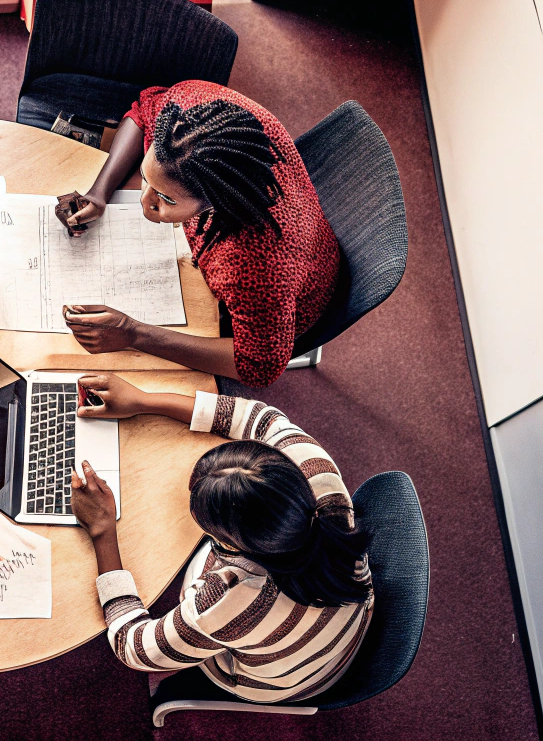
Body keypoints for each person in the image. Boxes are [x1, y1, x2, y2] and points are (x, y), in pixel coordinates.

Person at [68, 373, 373, 703]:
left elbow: (133, 647)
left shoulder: (226, 599)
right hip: (344, 628)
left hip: (288, 680)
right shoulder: (313, 469)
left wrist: (103, 531)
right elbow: (260, 417)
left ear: (230, 544)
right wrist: (142, 400)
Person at [54, 81, 339, 388]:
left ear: (215, 202)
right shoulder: (190, 105)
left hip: (266, 312)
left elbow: (259, 366)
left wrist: (134, 333)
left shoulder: (251, 263)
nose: (144, 202)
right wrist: (100, 193)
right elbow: (141, 113)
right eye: (147, 179)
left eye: (167, 199)